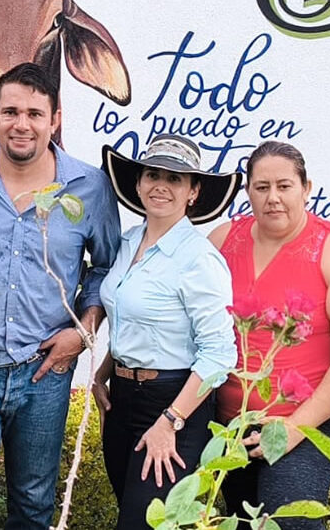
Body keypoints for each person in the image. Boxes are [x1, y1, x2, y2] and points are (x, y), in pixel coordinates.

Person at [0, 62, 121, 530]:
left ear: (55, 119)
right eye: (11, 111)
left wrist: (82, 331)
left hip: (45, 373)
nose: (22, 124)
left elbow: (106, 265)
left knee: (33, 506)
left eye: (35, 113)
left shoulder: (89, 186)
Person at [209, 140, 330, 529]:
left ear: (306, 188)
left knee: (287, 522)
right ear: (248, 191)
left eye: (284, 186)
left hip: (307, 416)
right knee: (240, 521)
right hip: (233, 418)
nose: (273, 198)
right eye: (262, 187)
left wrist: (293, 428)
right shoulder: (223, 241)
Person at [93, 133, 240, 529]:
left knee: (144, 525)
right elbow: (128, 317)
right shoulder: (126, 244)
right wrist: (103, 374)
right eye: (153, 174)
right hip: (122, 401)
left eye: (175, 179)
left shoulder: (199, 259)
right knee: (133, 514)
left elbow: (219, 355)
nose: (160, 185)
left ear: (193, 192)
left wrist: (170, 420)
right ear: (138, 183)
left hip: (173, 405)